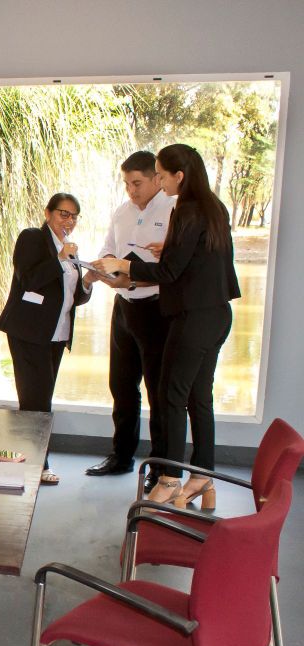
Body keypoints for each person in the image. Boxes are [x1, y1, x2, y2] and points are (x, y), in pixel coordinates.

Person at [94, 144, 240, 507]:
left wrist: (125, 266)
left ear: (179, 176)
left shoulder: (185, 209)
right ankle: (203, 478)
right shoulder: (213, 206)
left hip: (192, 318)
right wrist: (169, 249)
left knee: (172, 398)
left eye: (161, 175)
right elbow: (201, 259)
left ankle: (171, 479)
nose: (159, 181)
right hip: (216, 314)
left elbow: (171, 272)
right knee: (199, 398)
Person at [84, 151, 174, 493]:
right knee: (121, 386)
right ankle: (121, 456)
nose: (131, 190)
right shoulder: (121, 212)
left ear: (157, 179)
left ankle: (161, 468)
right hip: (123, 307)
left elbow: (172, 268)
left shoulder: (173, 210)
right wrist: (104, 265)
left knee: (158, 392)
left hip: (156, 310)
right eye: (126, 183)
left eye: (137, 183)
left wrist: (131, 276)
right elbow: (108, 249)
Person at [0, 193, 94, 485]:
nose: (69, 221)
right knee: (34, 400)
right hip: (29, 332)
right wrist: (60, 259)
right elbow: (29, 279)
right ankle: (38, 464)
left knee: (42, 397)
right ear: (48, 213)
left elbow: (71, 296)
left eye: (74, 216)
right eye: (64, 214)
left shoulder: (70, 249)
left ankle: (31, 460)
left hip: (57, 334)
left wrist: (89, 281)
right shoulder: (32, 238)